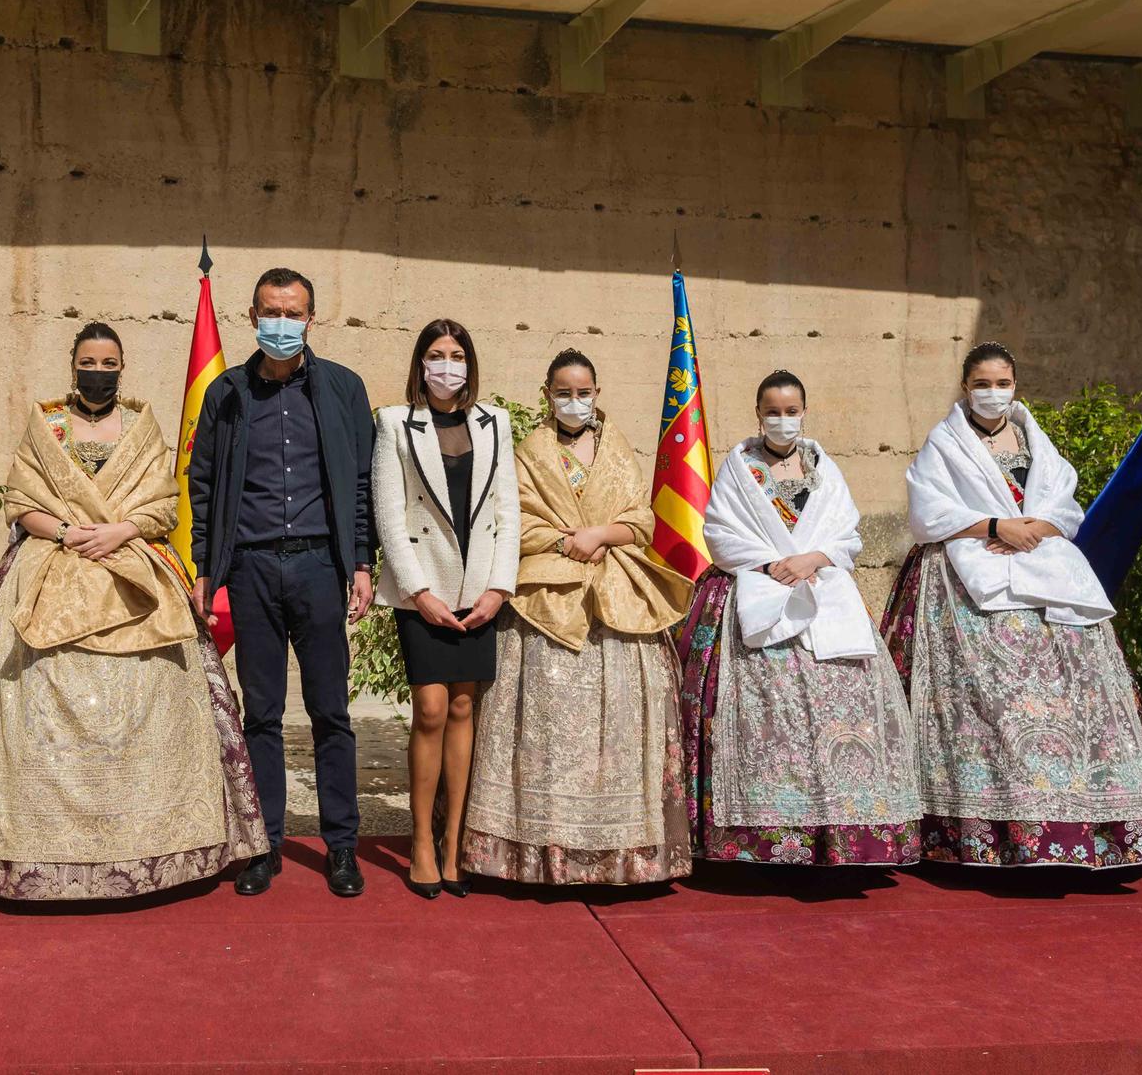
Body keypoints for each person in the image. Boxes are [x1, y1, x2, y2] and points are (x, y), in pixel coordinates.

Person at [0, 322, 266, 899]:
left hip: (132, 565)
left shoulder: (142, 427)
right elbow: (21, 499)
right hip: (51, 561)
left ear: (121, 367)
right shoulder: (46, 425)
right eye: (89, 361)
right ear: (72, 362)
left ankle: (162, 846)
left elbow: (163, 501)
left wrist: (120, 531)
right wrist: (64, 531)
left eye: (109, 363)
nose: (98, 371)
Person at [880, 342, 1142, 868]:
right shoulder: (944, 442)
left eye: (1003, 383)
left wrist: (1036, 526)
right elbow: (928, 512)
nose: (993, 393)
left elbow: (1064, 499)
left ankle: (1090, 822)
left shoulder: (1035, 439)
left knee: (1077, 697)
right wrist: (995, 526)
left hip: (1044, 565)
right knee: (993, 702)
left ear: (1015, 384)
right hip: (967, 568)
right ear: (964, 386)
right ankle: (994, 827)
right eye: (982, 384)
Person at [463, 349, 694, 885]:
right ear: (546, 394)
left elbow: (640, 517)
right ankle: (537, 851)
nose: (574, 401)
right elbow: (513, 518)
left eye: (583, 392)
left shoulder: (616, 450)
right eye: (563, 392)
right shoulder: (528, 451)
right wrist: (568, 541)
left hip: (618, 592)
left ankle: (622, 852)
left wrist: (602, 535)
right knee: (545, 729)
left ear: (597, 392)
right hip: (546, 598)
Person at [676, 370, 922, 866]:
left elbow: (847, 534)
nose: (782, 420)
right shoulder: (739, 468)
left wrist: (812, 560)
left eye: (791, 412)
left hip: (820, 588)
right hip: (754, 587)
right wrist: (768, 564)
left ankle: (840, 831)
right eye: (773, 411)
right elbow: (720, 532)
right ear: (757, 414)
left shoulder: (824, 468)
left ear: (804, 412)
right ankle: (760, 836)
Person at [187, 267, 376, 897]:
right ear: (252, 315)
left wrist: (362, 564)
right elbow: (204, 485)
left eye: (293, 313)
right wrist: (205, 570)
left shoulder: (344, 389)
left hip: (321, 566)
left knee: (331, 712)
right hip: (251, 568)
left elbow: (357, 486)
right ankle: (263, 844)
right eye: (272, 311)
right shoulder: (228, 394)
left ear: (311, 319)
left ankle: (340, 846)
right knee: (261, 714)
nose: (282, 324)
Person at [371, 319, 519, 897]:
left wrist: (498, 589)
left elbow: (507, 512)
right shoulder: (393, 422)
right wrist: (419, 593)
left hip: (481, 592)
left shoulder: (495, 423)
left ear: (470, 364)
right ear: (420, 363)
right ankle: (421, 843)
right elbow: (389, 512)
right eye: (436, 355)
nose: (447, 365)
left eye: (457, 355)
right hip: (423, 591)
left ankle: (454, 842)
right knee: (430, 709)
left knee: (464, 707)